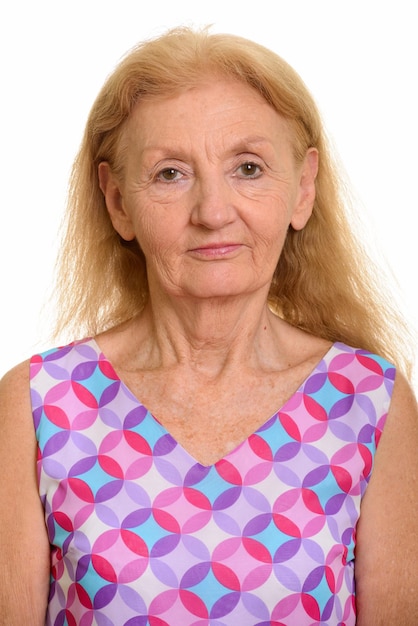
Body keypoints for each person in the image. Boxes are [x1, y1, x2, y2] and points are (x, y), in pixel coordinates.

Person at [1, 26, 417, 626]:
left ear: (302, 189)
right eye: (170, 174)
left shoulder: (370, 404)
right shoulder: (38, 404)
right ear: (118, 201)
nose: (214, 213)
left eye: (248, 168)